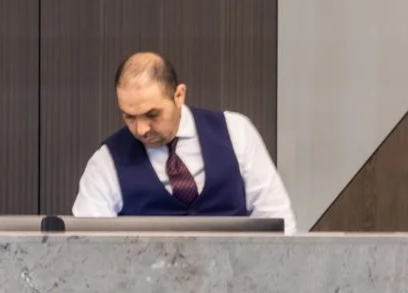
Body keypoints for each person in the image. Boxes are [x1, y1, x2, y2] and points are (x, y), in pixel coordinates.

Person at [71, 51, 296, 231]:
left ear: (179, 95)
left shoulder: (236, 132)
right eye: (129, 116)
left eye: (152, 114)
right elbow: (87, 249)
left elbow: (277, 220)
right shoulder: (106, 161)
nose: (141, 129)